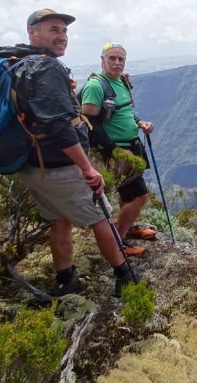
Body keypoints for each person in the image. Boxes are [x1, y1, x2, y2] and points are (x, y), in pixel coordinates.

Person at [16, 8, 138, 296]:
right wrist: (87, 168)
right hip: (60, 167)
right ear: (33, 32)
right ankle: (125, 278)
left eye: (64, 30)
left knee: (60, 219)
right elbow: (60, 125)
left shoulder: (21, 64)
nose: (62, 36)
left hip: (34, 163)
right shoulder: (47, 68)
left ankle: (65, 279)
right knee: (100, 218)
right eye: (53, 29)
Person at [80, 43, 156, 256]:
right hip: (116, 150)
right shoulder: (96, 86)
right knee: (140, 196)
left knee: (127, 193)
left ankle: (127, 227)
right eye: (112, 58)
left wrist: (141, 122)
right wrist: (114, 150)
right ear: (102, 59)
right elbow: (88, 122)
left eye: (120, 59)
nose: (117, 63)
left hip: (131, 145)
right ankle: (118, 242)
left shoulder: (121, 82)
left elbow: (125, 112)